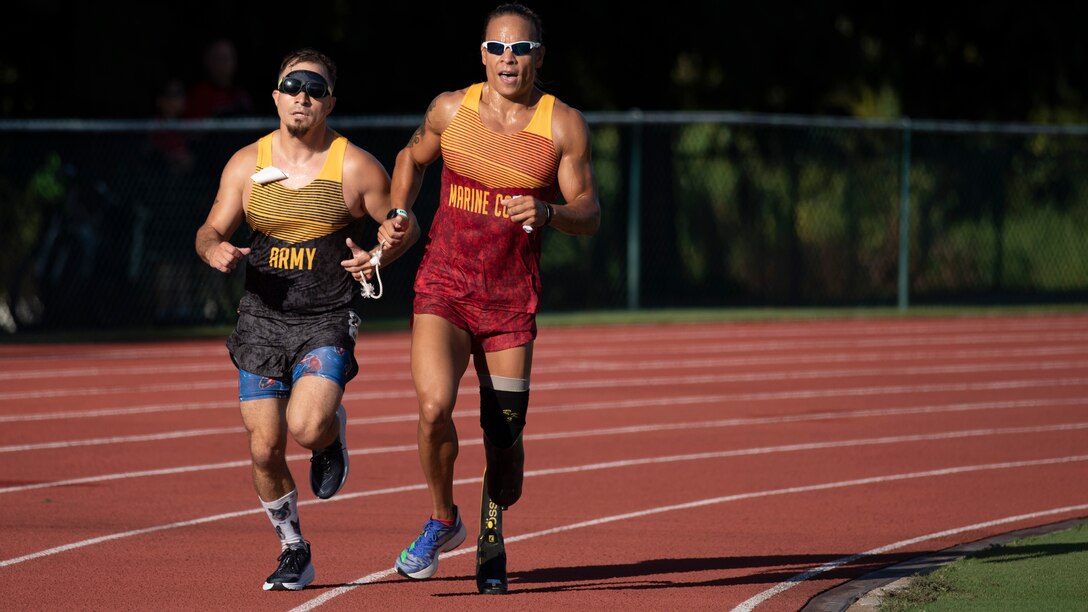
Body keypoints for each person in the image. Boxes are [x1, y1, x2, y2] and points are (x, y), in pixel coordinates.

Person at [381, 2, 600, 594]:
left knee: (504, 451)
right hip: (444, 285)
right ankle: (441, 519)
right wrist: (399, 213)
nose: (509, 58)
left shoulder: (563, 125)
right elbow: (410, 158)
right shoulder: (451, 109)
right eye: (498, 48)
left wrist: (550, 211)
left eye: (521, 48)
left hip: (509, 300)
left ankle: (491, 525)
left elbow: (589, 212)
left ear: (539, 56)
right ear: (482, 53)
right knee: (432, 407)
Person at [194, 48, 416, 591]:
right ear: (275, 95)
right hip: (261, 319)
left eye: (314, 89)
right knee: (264, 447)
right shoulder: (246, 163)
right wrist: (213, 250)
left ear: (330, 102)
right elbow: (208, 230)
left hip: (327, 315)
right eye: (292, 85)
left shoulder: (356, 165)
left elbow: (400, 225)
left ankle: (329, 435)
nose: (302, 96)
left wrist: (380, 254)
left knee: (306, 425)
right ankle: (294, 548)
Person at [186, 38, 254, 118]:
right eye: (218, 58)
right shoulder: (198, 96)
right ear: (208, 61)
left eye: (226, 58)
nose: (222, 64)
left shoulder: (242, 97)